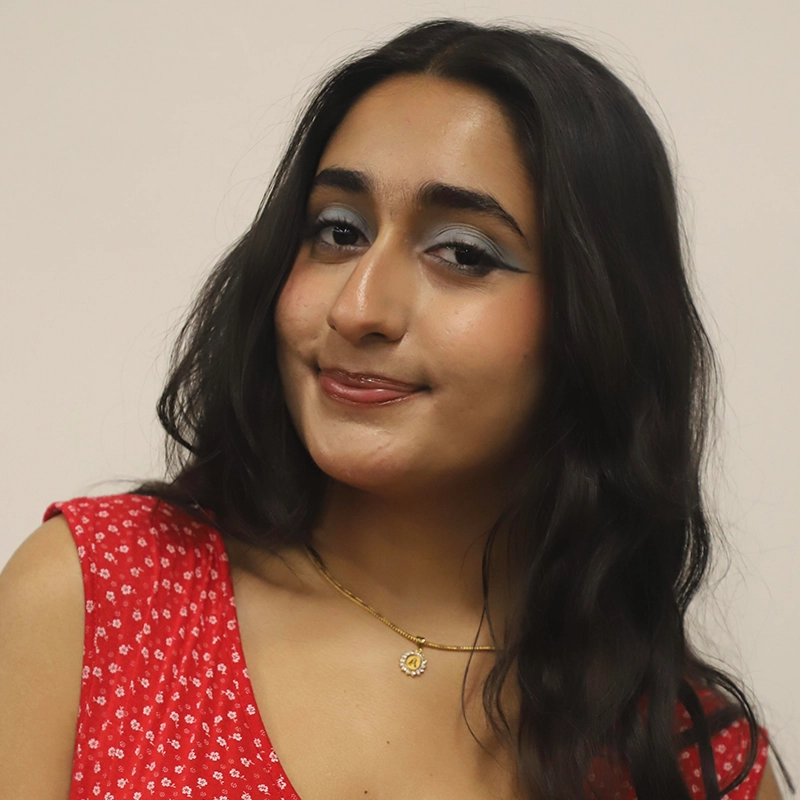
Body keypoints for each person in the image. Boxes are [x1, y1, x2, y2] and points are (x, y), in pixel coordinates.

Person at [0, 17, 792, 800]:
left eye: (463, 253)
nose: (357, 308)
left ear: (597, 320)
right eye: (338, 232)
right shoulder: (96, 599)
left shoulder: (688, 762)